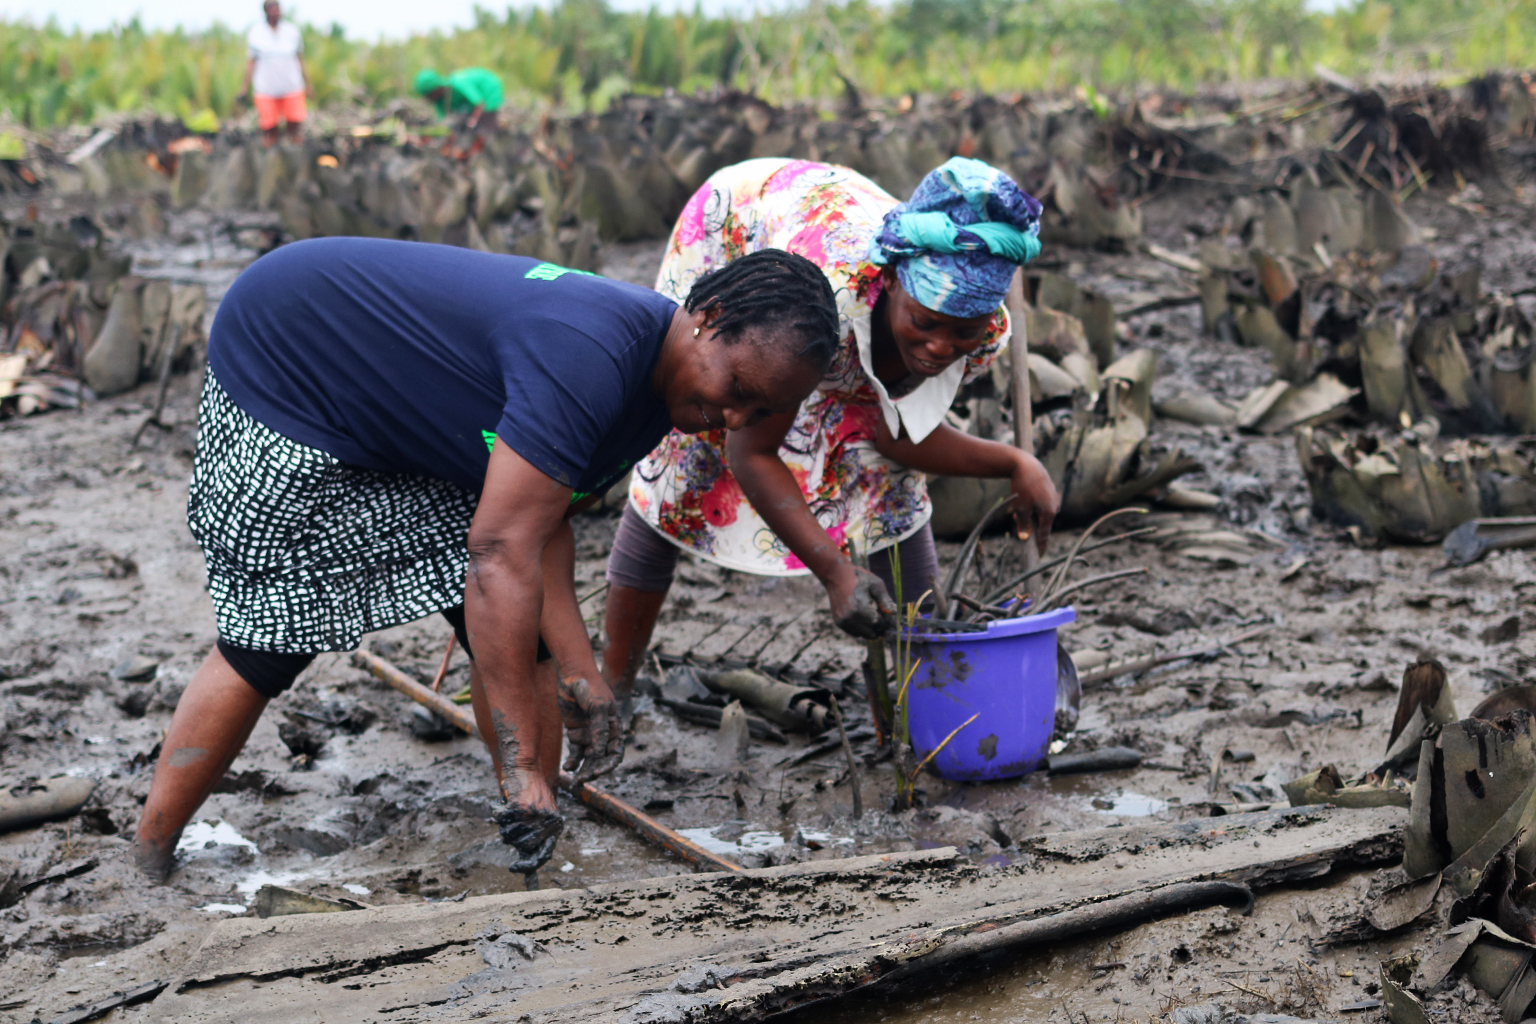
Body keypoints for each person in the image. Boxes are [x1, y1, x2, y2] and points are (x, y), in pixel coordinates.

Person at [129, 238, 839, 883]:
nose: (736, 421)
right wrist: (526, 765)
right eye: (740, 391)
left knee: (520, 634)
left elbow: (543, 521)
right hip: (291, 367)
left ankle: (535, 848)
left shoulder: (665, 382)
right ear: (706, 316)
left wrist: (584, 675)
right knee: (268, 642)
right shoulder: (590, 359)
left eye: (761, 412)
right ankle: (149, 858)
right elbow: (498, 551)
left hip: (401, 409)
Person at [601, 157, 1061, 693]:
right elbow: (749, 452)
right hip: (739, 222)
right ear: (889, 281)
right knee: (691, 453)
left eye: (962, 330)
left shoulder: (980, 335)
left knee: (891, 487)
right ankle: (613, 685)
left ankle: (930, 697)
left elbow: (894, 437)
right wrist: (835, 573)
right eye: (925, 322)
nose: (941, 346)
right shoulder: (831, 307)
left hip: (833, 262)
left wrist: (1016, 462)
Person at [238, 0, 311, 145]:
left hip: (292, 86)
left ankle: (294, 157)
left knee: (295, 125)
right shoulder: (256, 33)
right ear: (265, 11)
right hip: (266, 89)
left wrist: (308, 84)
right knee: (269, 128)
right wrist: (244, 88)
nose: (276, 12)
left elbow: (300, 58)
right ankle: (271, 160)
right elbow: (251, 62)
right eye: (272, 9)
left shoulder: (291, 31)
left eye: (277, 8)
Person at [414, 67, 505, 131]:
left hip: (488, 89)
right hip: (470, 104)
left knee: (484, 124)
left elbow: (479, 103)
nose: (428, 99)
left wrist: (473, 121)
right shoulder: (439, 100)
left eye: (428, 95)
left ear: (435, 88)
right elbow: (443, 119)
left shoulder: (458, 84)